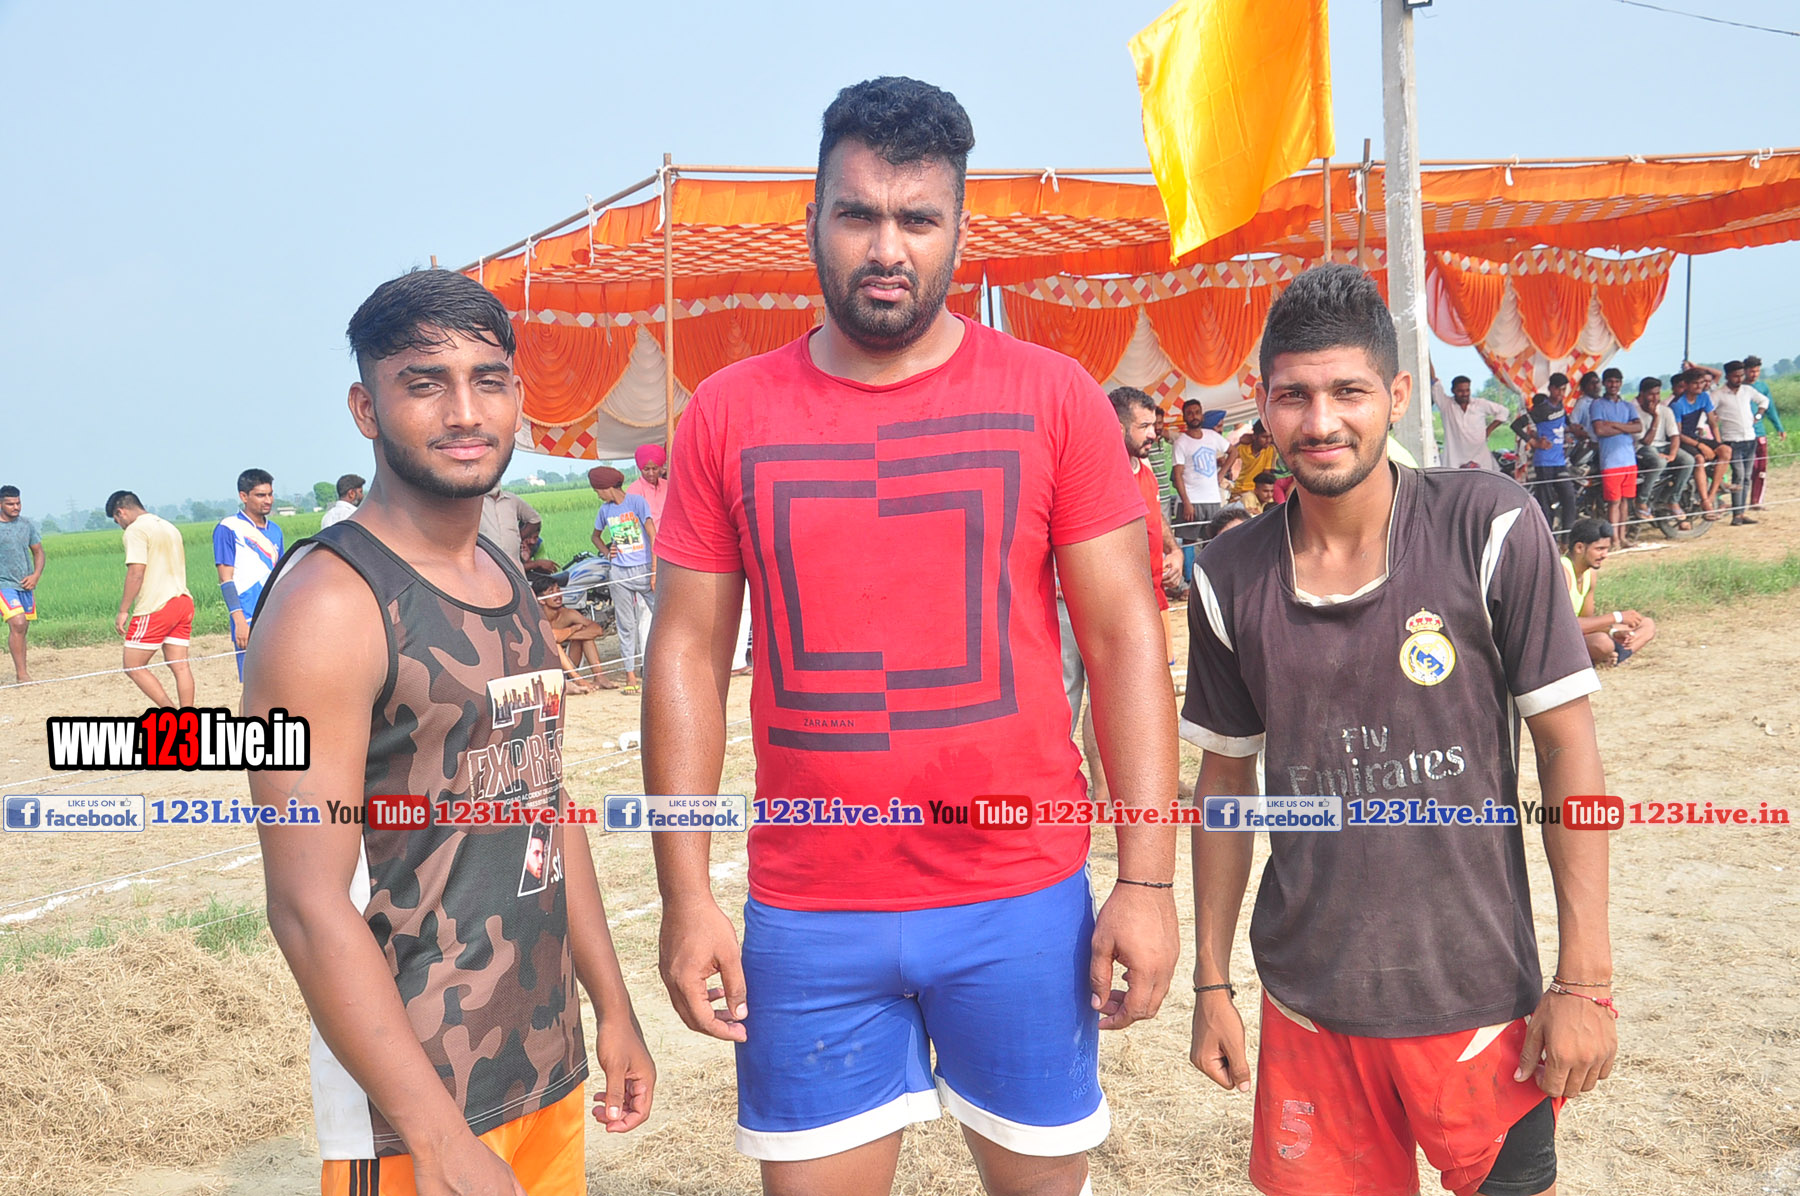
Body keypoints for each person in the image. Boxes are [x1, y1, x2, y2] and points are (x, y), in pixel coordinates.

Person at [645, 76, 1179, 1196]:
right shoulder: (728, 413)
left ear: (958, 231)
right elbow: (686, 652)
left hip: (1020, 898)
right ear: (813, 221)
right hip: (809, 910)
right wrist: (687, 893)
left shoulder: (1055, 398)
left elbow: (1125, 638)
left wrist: (1146, 880)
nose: (887, 248)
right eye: (858, 215)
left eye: (917, 218)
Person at [1184, 264, 1615, 1196]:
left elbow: (1566, 749)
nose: (1321, 422)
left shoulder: (1487, 527)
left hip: (1475, 996)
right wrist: (1211, 982)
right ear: (1263, 403)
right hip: (1308, 1003)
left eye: (1349, 391)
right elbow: (1226, 787)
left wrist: (1585, 981)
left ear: (1397, 394)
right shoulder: (1228, 575)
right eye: (1294, 397)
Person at [244, 268, 653, 1196]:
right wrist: (435, 1141)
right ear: (366, 407)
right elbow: (305, 904)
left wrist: (613, 1007)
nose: (465, 412)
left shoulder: (505, 579)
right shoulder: (328, 607)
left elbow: (545, 805)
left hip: (540, 1065)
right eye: (425, 383)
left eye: (488, 381)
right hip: (412, 1111)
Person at [106, 491, 194, 707]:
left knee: (133, 665)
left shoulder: (135, 530)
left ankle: (170, 711)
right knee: (180, 665)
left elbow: (136, 572)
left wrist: (123, 610)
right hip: (183, 600)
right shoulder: (169, 527)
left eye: (117, 521)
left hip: (156, 605)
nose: (120, 526)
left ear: (121, 512)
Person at [587, 465, 655, 692]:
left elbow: (652, 534)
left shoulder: (637, 503)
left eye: (597, 490)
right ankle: (630, 674)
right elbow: (595, 537)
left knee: (660, 617)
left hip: (645, 568)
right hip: (619, 572)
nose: (598, 495)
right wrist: (608, 553)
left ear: (606, 487)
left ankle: (658, 666)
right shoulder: (605, 510)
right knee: (626, 624)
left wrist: (655, 569)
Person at [213, 468, 284, 681]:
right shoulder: (229, 528)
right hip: (247, 615)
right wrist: (239, 621)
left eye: (270, 494)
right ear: (244, 496)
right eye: (260, 495)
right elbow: (225, 578)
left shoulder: (275, 531)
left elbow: (280, 574)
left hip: (274, 614)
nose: (268, 500)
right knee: (254, 682)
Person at [1562, 518, 1656, 666]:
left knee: (1647, 624)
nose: (1605, 555)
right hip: (1559, 640)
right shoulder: (1562, 572)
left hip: (1577, 636)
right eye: (1599, 549)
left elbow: (1587, 621)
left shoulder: (1590, 574)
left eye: (1606, 549)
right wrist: (1617, 617)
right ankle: (1609, 655)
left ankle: (1610, 656)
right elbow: (1565, 626)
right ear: (1579, 548)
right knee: (1602, 642)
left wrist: (1613, 632)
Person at [1576, 373, 1642, 546]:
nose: (1614, 385)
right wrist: (1626, 428)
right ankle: (1614, 539)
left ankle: (1622, 537)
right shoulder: (1597, 404)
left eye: (1617, 381)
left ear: (1621, 383)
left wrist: (1613, 424)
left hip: (1629, 460)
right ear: (1605, 383)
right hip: (1611, 461)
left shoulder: (1627, 405)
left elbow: (1638, 427)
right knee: (1614, 502)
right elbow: (1600, 430)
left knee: (1625, 501)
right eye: (1610, 381)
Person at [530, 573, 618, 692]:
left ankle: (599, 676)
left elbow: (598, 630)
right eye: (551, 592)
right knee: (555, 644)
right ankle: (578, 679)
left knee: (586, 637)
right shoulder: (536, 617)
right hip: (546, 668)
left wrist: (569, 635)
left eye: (558, 590)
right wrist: (572, 629)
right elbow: (552, 637)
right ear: (541, 600)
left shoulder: (567, 613)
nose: (558, 595)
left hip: (568, 666)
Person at [1668, 369, 1731, 517]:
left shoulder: (1704, 397)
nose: (1699, 386)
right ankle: (1705, 501)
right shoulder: (1677, 404)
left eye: (1701, 383)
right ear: (1686, 384)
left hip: (1694, 436)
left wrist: (1717, 444)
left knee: (1726, 451)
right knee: (1699, 459)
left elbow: (1713, 423)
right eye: (1695, 383)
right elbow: (1678, 434)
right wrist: (1700, 446)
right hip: (1682, 439)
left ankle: (1712, 494)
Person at [1635, 376, 1694, 530]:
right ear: (1642, 394)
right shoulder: (1634, 411)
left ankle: (1673, 500)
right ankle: (1642, 501)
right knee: (1659, 462)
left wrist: (1673, 455)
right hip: (1642, 448)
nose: (1655, 398)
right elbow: (1646, 441)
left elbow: (1674, 436)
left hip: (1663, 446)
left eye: (1657, 393)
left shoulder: (1666, 411)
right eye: (1651, 394)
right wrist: (1655, 417)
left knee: (1688, 460)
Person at [0, 485, 44, 683]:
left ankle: (22, 671)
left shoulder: (26, 525)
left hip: (24, 584)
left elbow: (38, 552)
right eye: (10, 504)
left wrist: (35, 575)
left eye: (18, 503)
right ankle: (22, 675)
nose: (16, 507)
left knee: (22, 627)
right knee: (18, 622)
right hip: (3, 584)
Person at [1172, 401, 1229, 550]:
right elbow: (1177, 475)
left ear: (1202, 415)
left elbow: (1233, 452)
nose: (1194, 416)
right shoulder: (1180, 443)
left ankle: (1208, 566)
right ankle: (1190, 566)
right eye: (1190, 413)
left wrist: (1221, 473)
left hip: (1212, 499)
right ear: (1184, 417)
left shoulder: (1212, 436)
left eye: (1197, 412)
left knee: (1212, 540)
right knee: (1189, 542)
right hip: (1191, 501)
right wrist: (1186, 503)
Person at [1711, 360, 1761, 526]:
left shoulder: (1747, 390)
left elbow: (1764, 401)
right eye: (1735, 376)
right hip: (1732, 440)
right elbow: (1708, 412)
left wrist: (1758, 416)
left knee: (1746, 477)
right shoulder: (1718, 394)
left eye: (1741, 375)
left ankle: (1741, 512)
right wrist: (1713, 421)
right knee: (1738, 475)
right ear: (1728, 376)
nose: (1739, 379)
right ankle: (1736, 514)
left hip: (1749, 438)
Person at [1519, 393, 1576, 535]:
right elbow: (1516, 425)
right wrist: (1534, 442)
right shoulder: (1538, 414)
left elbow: (1564, 425)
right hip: (1543, 462)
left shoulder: (1560, 408)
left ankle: (1567, 536)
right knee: (1545, 501)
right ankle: (1549, 536)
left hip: (1560, 461)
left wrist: (1569, 433)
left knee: (1569, 495)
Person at [1431, 372, 1509, 469]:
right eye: (1460, 391)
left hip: (1480, 457)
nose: (1465, 394)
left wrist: (1488, 431)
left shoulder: (1480, 404)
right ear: (1453, 390)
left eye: (1467, 390)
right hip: (1454, 459)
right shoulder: (1446, 404)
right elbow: (1434, 379)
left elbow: (1504, 412)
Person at [1745, 355, 1784, 508]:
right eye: (1751, 371)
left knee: (1761, 468)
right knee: (1748, 468)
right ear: (1745, 371)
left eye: (1757, 371)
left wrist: (1779, 427)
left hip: (1759, 432)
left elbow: (1770, 409)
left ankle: (1756, 500)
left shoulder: (1763, 387)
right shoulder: (1739, 387)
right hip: (1743, 435)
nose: (1754, 374)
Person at [478, 484, 543, 566]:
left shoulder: (511, 499)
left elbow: (535, 519)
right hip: (486, 562)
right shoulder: (474, 502)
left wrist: (518, 537)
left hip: (513, 562)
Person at [1226, 419, 1278, 495]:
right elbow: (1228, 456)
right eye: (1264, 437)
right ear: (1254, 437)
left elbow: (1266, 473)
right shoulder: (1242, 448)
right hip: (1240, 489)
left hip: (1257, 490)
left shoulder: (1270, 450)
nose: (1268, 440)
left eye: (1270, 436)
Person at [626, 443, 669, 523]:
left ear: (661, 468)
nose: (651, 473)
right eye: (646, 469)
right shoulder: (633, 490)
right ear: (640, 468)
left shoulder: (667, 485)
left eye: (655, 469)